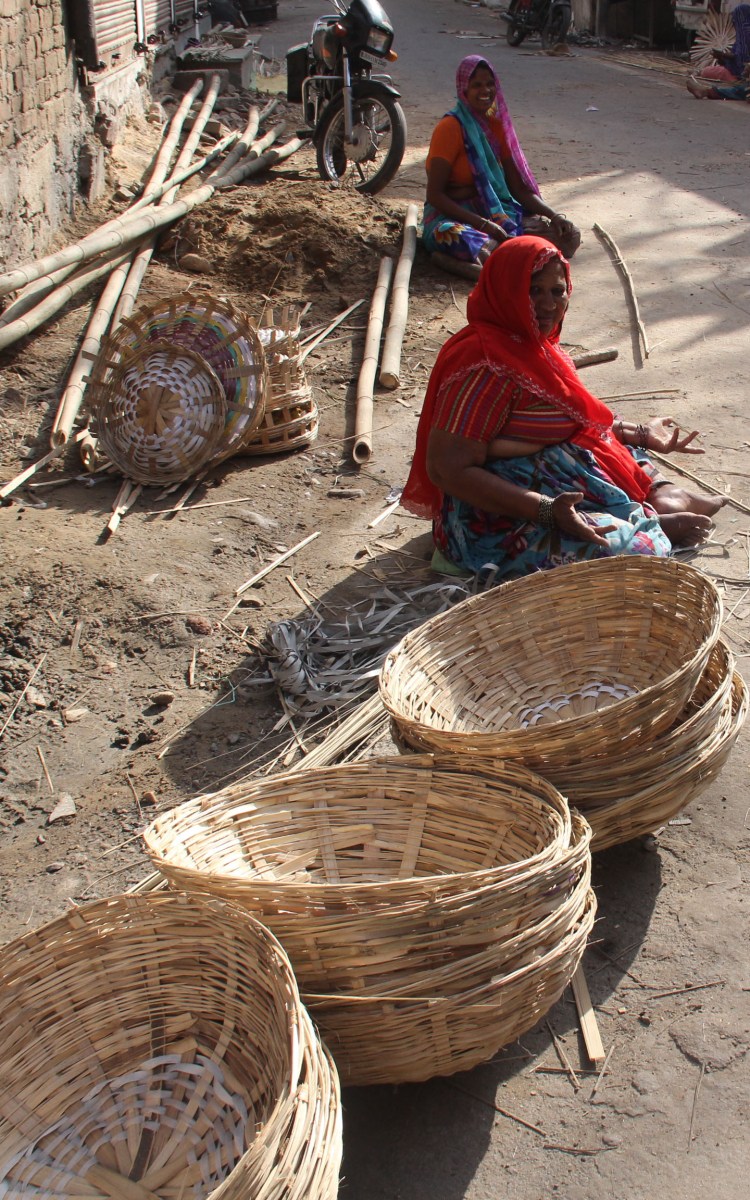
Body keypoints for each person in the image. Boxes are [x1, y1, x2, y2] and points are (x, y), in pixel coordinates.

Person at [401, 236, 723, 580]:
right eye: (533, 290)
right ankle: (652, 519)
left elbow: (575, 420)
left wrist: (642, 434)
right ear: (504, 289)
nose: (548, 304)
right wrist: (546, 511)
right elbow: (447, 469)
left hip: (554, 482)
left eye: (557, 291)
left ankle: (658, 497)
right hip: (494, 516)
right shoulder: (484, 364)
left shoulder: (535, 346)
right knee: (637, 553)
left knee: (607, 442)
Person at [422, 55, 580, 267]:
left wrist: (555, 216)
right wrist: (484, 224)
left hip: (496, 212)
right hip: (453, 218)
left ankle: (497, 260)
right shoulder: (450, 128)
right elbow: (435, 195)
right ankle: (502, 257)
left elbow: (518, 189)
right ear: (464, 89)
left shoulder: (496, 128)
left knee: (569, 237)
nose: (485, 91)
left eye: (489, 84)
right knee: (458, 237)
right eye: (477, 85)